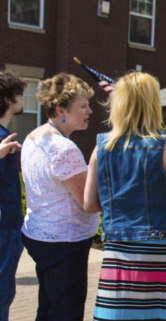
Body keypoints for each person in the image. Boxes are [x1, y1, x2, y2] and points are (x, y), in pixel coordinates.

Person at [83, 72, 166, 321]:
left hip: (119, 257)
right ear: (153, 103)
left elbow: (89, 204)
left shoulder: (101, 146)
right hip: (164, 256)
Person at [19, 73, 96, 321]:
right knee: (66, 313)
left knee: (48, 308)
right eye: (83, 106)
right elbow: (88, 203)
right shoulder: (64, 148)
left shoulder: (34, 136)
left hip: (39, 235)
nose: (90, 111)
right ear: (61, 110)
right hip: (65, 243)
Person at [0, 70, 25, 321]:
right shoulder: (2, 140)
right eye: (19, 94)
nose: (22, 99)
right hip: (5, 227)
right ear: (8, 99)